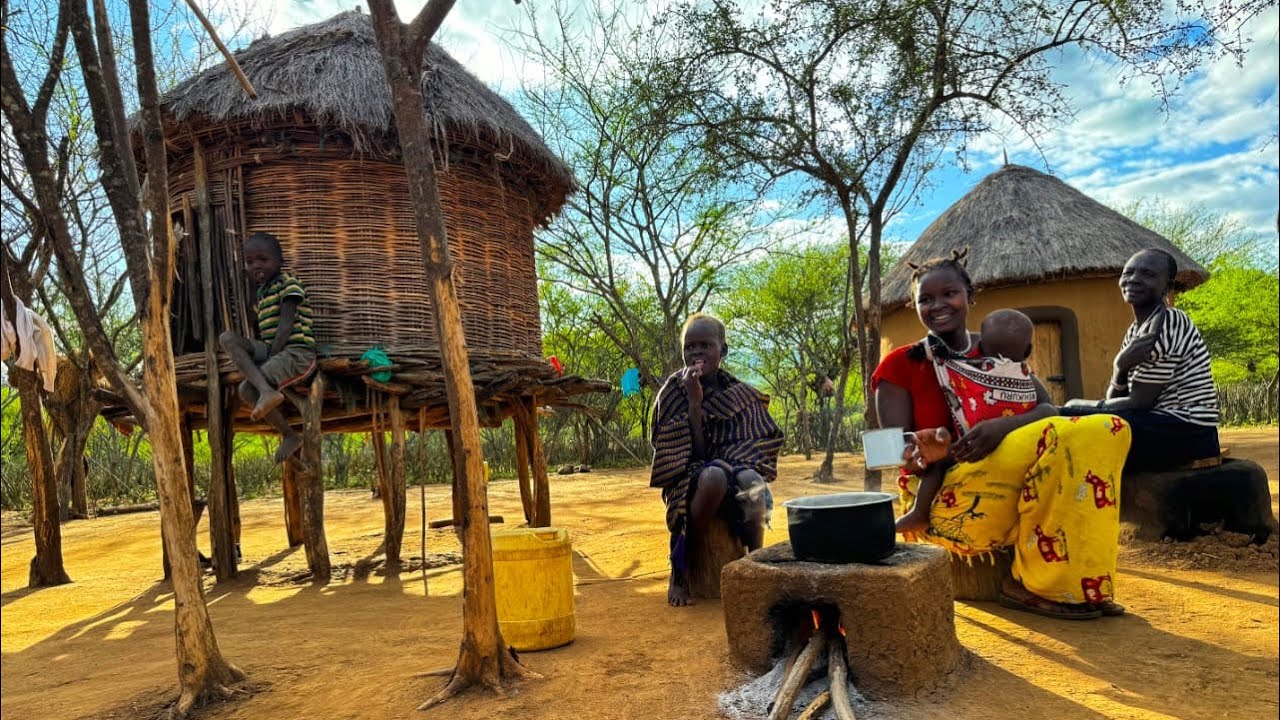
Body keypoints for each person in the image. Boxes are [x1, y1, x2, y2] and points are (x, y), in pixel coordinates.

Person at [874, 249, 1132, 620]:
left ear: (970, 296)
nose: (938, 305)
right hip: (945, 498)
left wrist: (1000, 428)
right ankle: (1031, 585)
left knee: (1109, 428)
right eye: (925, 299)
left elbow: (1046, 408)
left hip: (1015, 479)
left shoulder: (995, 349)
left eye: (949, 293)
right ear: (913, 306)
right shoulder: (901, 364)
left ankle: (1079, 584)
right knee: (1057, 436)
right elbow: (885, 450)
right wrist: (939, 445)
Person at [650, 313, 783, 607]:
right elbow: (686, 456)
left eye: (705, 345)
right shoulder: (673, 392)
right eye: (689, 347)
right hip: (689, 482)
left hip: (732, 474)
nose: (696, 353)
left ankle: (753, 563)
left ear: (723, 350)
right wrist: (694, 403)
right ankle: (682, 568)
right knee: (713, 478)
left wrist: (729, 464)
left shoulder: (739, 395)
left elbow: (762, 441)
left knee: (753, 482)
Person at [1060, 248, 1219, 471]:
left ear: (1167, 287)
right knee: (1073, 417)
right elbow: (1118, 401)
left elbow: (1138, 403)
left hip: (1186, 430)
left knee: (1067, 416)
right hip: (1157, 423)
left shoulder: (1169, 323)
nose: (1133, 279)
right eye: (1128, 273)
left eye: (1148, 274)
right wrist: (1120, 368)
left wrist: (1074, 407)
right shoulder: (1136, 331)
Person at [894, 308, 1039, 538]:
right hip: (1022, 451)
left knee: (939, 464)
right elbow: (1050, 408)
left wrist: (999, 427)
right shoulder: (1025, 375)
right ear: (1028, 350)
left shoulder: (969, 368)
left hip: (974, 447)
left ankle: (920, 512)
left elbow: (934, 353)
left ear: (981, 346)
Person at [219, 232, 316, 464]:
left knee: (246, 390)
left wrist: (271, 356)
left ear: (280, 261)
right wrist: (253, 284)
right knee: (227, 338)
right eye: (250, 262)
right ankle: (270, 397)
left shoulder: (289, 282)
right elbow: (254, 317)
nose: (256, 266)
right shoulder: (263, 292)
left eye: (263, 259)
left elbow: (286, 324)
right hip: (273, 349)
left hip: (296, 352)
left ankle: (288, 433)